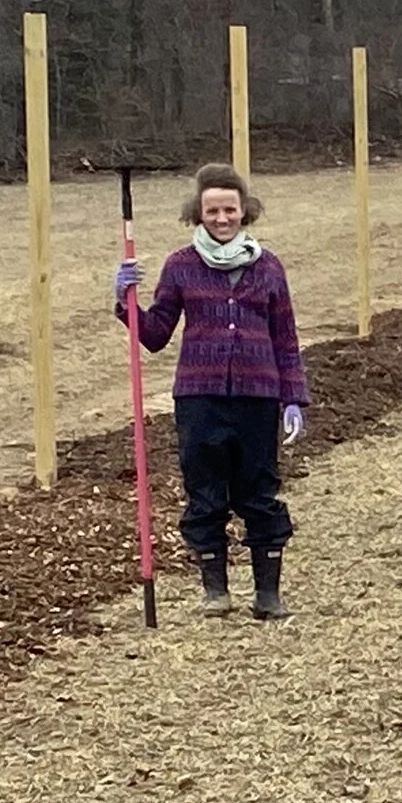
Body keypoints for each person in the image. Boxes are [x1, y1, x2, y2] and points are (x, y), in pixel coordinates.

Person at [114, 163, 308, 621]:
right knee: (205, 493)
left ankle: (268, 594)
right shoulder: (182, 265)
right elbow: (156, 333)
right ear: (198, 215)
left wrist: (294, 395)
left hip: (258, 396)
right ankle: (215, 592)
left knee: (259, 491)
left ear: (245, 212)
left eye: (230, 209)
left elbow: (285, 336)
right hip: (199, 397)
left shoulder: (269, 265)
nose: (222, 218)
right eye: (212, 211)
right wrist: (125, 302)